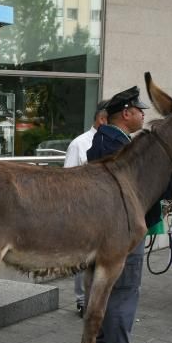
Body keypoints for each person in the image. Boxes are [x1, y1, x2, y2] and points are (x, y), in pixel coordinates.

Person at [87, 86, 172, 343]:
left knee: (112, 288)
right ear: (126, 113)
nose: (144, 115)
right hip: (121, 229)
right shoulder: (119, 145)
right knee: (124, 289)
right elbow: (140, 185)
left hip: (111, 228)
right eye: (139, 110)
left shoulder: (109, 140)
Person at [65, 99, 109, 316]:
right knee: (83, 260)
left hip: (108, 215)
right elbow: (67, 181)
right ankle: (82, 301)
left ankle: (99, 299)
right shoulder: (79, 144)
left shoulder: (117, 144)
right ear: (103, 119)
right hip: (84, 213)